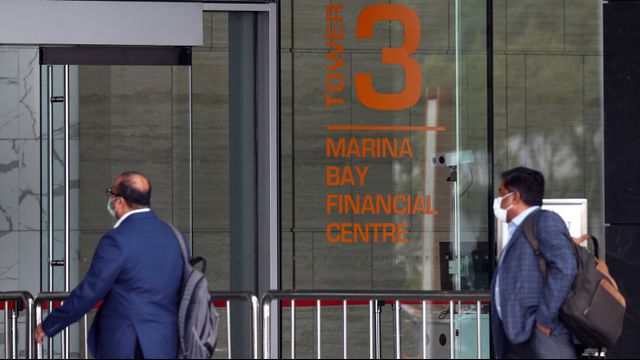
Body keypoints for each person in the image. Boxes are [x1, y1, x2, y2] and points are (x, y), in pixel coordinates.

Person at [34, 171, 184, 359]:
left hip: (126, 343)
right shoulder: (174, 236)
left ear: (119, 201)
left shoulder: (117, 240)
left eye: (110, 195)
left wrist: (50, 324)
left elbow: (91, 291)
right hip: (165, 343)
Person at [490, 167, 578, 359]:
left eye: (501, 193)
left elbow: (565, 267)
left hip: (539, 336)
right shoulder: (518, 230)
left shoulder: (544, 221)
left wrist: (543, 321)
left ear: (515, 197)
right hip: (516, 338)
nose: (498, 200)